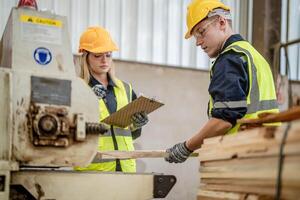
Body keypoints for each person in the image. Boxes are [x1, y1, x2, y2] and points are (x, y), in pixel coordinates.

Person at [165, 0, 280, 163]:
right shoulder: (253, 55)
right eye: (195, 37)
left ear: (221, 22)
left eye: (201, 32)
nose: (198, 42)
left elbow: (223, 121)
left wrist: (187, 147)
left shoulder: (230, 59)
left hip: (242, 155)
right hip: (267, 152)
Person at [76, 26, 148, 172]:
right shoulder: (76, 88)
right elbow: (69, 132)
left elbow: (130, 134)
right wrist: (87, 99)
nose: (104, 60)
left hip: (126, 168)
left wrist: (137, 124)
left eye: (108, 55)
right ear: (85, 57)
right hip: (92, 171)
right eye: (98, 55)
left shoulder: (125, 89)